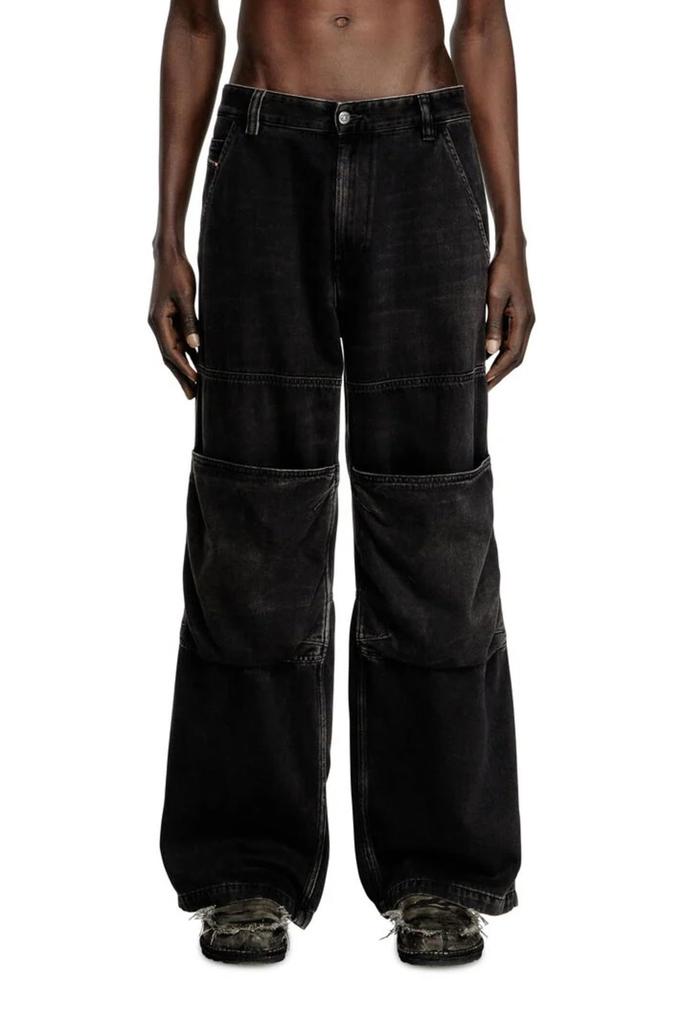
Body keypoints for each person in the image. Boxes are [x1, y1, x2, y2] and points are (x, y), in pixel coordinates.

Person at [149, 0, 534, 967]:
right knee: (253, 515)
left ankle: (439, 869)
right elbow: (193, 23)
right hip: (264, 150)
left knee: (435, 515)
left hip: (424, 151)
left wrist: (514, 238)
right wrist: (166, 238)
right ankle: (246, 866)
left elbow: (482, 24)